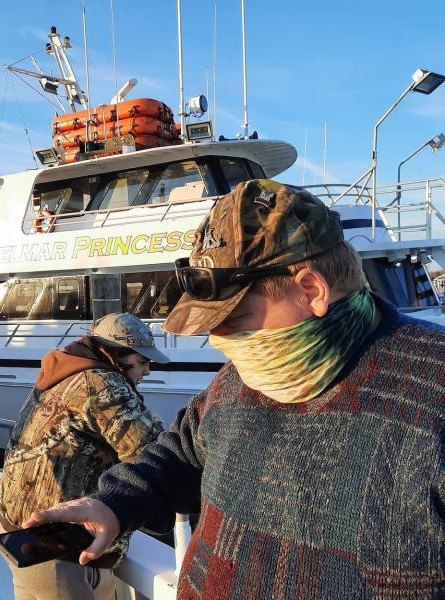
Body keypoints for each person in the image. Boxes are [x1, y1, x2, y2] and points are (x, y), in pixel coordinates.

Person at [24, 180, 445, 599]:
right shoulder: (247, 372)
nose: (221, 340)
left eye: (235, 319)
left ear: (311, 290)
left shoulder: (433, 390)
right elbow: (182, 452)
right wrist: (115, 505)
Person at [0, 312, 169, 600]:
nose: (147, 371)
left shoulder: (65, 372)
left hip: (18, 530)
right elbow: (150, 453)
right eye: (142, 362)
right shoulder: (102, 385)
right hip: (58, 545)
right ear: (114, 355)